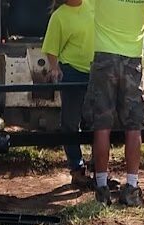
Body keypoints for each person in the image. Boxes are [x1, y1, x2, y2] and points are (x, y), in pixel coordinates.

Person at [84, 0, 144, 207]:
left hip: (104, 59)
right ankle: (131, 188)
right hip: (133, 60)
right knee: (134, 128)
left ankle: (102, 187)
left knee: (102, 127)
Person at [42, 0, 95, 188]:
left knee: (97, 121)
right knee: (70, 123)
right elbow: (51, 48)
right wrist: (54, 67)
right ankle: (76, 169)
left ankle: (98, 168)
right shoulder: (59, 17)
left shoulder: (93, 5)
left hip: (96, 71)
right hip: (72, 71)